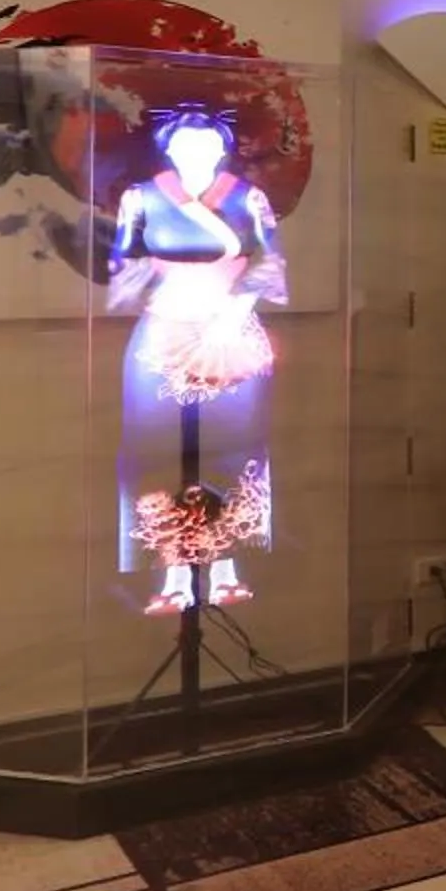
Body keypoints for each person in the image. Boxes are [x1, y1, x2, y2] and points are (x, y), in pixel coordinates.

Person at [109, 107, 284, 614]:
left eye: (206, 145)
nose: (196, 153)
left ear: (220, 148)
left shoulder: (247, 198)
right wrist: (163, 292)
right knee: (154, 448)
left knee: (236, 447)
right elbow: (123, 263)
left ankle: (227, 566)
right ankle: (171, 572)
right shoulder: (140, 198)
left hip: (231, 330)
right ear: (169, 147)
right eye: (185, 144)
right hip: (163, 331)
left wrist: (233, 309)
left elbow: (269, 262)